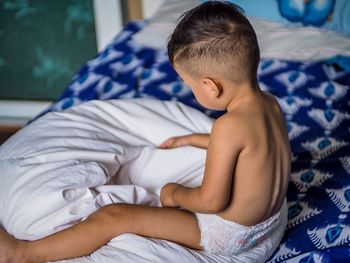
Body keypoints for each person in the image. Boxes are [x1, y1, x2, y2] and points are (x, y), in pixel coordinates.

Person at [0, 1, 291, 262]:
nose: (192, 91)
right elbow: (253, 148)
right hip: (263, 224)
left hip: (226, 237)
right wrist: (192, 139)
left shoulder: (228, 127)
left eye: (190, 85)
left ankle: (25, 253)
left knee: (115, 217)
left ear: (210, 86)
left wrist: (174, 194)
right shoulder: (270, 105)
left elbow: (212, 201)